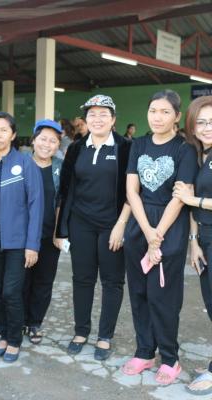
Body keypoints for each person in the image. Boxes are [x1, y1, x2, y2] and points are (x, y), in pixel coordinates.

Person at [122, 90, 198, 385]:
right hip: (140, 225)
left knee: (163, 295)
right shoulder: (138, 144)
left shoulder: (185, 149)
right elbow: (132, 191)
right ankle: (144, 351)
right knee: (139, 292)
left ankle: (169, 358)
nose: (157, 117)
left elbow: (181, 196)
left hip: (170, 227)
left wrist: (158, 236)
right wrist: (146, 231)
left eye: (165, 112)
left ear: (177, 116)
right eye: (153, 110)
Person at [56, 94, 131, 360]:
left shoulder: (125, 147)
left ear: (113, 119)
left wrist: (121, 225)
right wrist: (61, 230)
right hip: (81, 224)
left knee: (112, 281)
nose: (97, 119)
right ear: (85, 120)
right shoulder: (76, 148)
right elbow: (65, 190)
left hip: (113, 225)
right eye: (92, 114)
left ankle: (104, 336)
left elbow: (133, 191)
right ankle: (81, 331)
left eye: (103, 114)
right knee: (82, 279)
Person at [0, 111, 43, 363]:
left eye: (3, 130)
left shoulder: (25, 163)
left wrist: (32, 245)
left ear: (13, 135)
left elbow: (36, 206)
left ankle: (15, 340)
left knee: (11, 292)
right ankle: (3, 335)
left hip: (18, 242)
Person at [173, 95, 212, 395]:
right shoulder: (202, 155)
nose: (207, 127)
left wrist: (192, 199)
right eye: (201, 122)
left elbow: (192, 200)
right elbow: (192, 206)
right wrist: (194, 242)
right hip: (206, 238)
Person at [23, 119, 62, 344]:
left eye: (53, 141)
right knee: (21, 281)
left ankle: (34, 323)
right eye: (43, 139)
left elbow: (62, 201)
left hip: (49, 236)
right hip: (23, 236)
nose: (47, 144)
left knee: (44, 281)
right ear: (34, 140)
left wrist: (59, 232)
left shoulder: (60, 168)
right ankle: (19, 320)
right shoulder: (21, 164)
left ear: (58, 145)